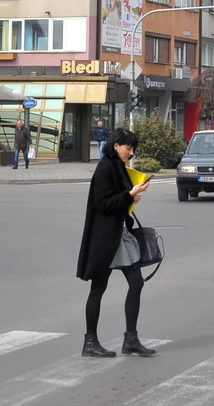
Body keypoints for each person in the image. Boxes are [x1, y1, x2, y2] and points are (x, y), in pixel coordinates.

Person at [76, 128, 154, 358]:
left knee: (136, 283)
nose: (131, 153)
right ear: (116, 145)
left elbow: (118, 200)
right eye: (128, 148)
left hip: (119, 234)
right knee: (98, 288)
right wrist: (129, 195)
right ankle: (90, 342)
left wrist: (132, 196)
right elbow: (102, 204)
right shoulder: (105, 168)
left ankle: (131, 339)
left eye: (133, 149)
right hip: (106, 238)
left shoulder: (118, 165)